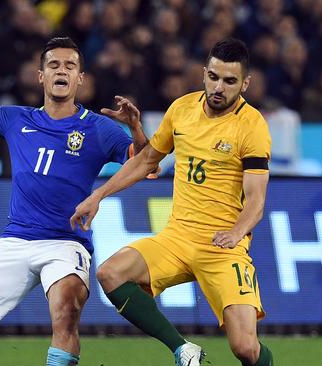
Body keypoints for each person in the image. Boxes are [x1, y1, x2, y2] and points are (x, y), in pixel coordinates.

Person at [0, 10, 149, 366]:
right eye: (54, 64)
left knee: (66, 311)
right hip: (16, 240)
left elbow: (147, 166)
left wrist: (136, 130)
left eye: (70, 65)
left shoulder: (99, 128)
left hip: (66, 243)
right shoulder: (16, 119)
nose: (61, 70)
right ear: (41, 76)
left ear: (80, 78)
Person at [70, 38, 274, 366]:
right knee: (111, 273)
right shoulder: (181, 109)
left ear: (245, 84)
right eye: (214, 76)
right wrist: (98, 195)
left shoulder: (252, 127)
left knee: (246, 349)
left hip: (223, 248)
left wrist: (236, 233)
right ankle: (182, 349)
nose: (219, 87)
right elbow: (148, 161)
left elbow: (257, 200)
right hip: (177, 239)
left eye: (230, 81)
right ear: (204, 73)